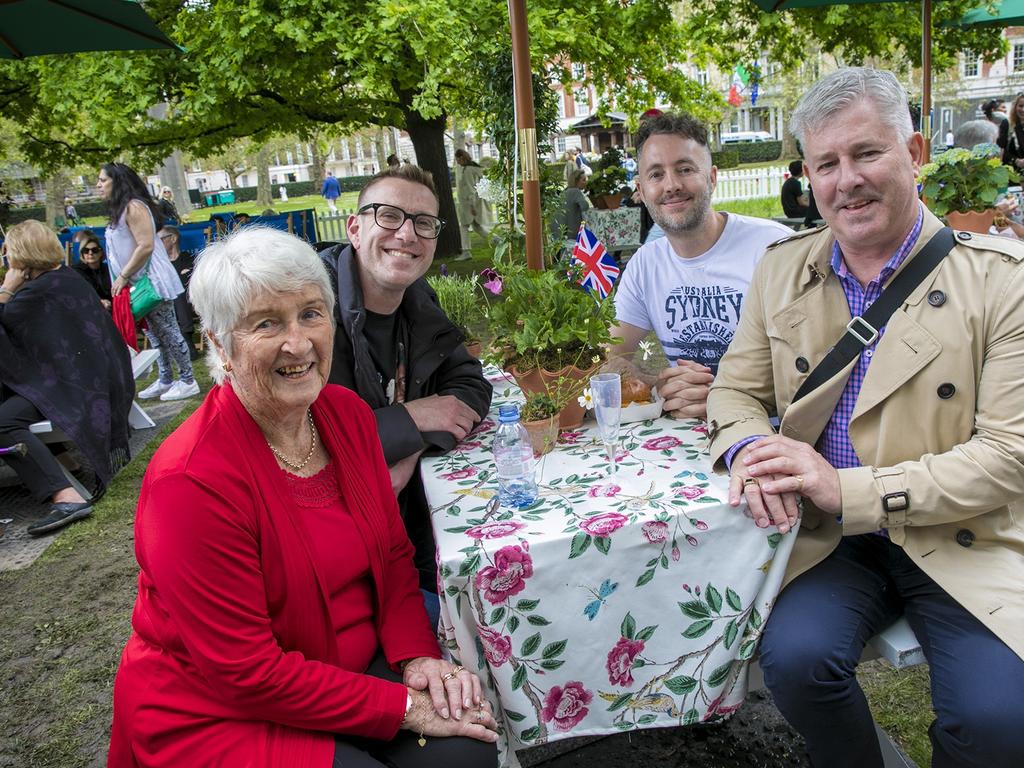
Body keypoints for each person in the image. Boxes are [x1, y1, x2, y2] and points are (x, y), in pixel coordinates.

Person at [707, 67, 1024, 768]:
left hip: (956, 532)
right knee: (793, 661)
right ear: (809, 175)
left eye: (866, 153)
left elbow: (1009, 456)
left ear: (914, 153)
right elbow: (733, 393)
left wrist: (844, 488)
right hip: (832, 541)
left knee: (1000, 721)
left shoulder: (1004, 280)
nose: (845, 179)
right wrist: (752, 451)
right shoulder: (780, 269)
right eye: (826, 163)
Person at [108, 227, 498, 768]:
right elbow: (246, 672)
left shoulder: (344, 414)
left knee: (464, 754)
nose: (298, 343)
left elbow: (390, 557)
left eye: (311, 314)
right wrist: (404, 706)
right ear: (219, 343)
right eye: (266, 323)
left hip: (348, 665)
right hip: (223, 709)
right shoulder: (190, 481)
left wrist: (415, 656)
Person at [319, 165, 492, 625]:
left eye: (423, 223)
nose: (407, 234)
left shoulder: (417, 298)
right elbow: (303, 442)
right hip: (331, 564)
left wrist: (411, 441)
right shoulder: (311, 309)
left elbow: (471, 384)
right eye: (389, 216)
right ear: (355, 228)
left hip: (407, 536)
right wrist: (409, 419)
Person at [608, 112, 791, 420]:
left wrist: (724, 396)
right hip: (685, 443)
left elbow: (814, 367)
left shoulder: (774, 248)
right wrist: (661, 385)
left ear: (712, 177)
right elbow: (608, 357)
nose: (671, 185)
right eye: (655, 174)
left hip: (770, 437)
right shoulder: (644, 265)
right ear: (640, 190)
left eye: (685, 169)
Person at [0, 221, 133, 536]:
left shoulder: (36, 291)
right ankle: (65, 462)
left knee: (3, 422)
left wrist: (6, 288)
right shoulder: (65, 278)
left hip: (76, 387)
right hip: (96, 380)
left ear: (20, 256)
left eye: (8, 252)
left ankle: (66, 495)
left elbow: (7, 331)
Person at [98, 162, 199, 402]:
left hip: (151, 280)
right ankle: (166, 378)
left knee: (167, 330)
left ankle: (187, 380)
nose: (98, 185)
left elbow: (146, 245)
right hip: (135, 283)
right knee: (153, 334)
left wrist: (123, 276)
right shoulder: (120, 210)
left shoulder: (134, 207)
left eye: (103, 180)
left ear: (118, 181)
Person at [157, 225, 199, 361]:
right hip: (166, 302)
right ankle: (186, 339)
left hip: (190, 302)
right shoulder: (160, 264)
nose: (157, 244)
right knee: (176, 293)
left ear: (173, 238)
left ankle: (186, 339)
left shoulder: (188, 258)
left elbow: (192, 280)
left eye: (160, 239)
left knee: (179, 293)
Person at [453, 149, 490, 261]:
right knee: (477, 227)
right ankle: (497, 240)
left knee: (464, 227)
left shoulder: (468, 170)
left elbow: (470, 189)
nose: (457, 162)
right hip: (469, 203)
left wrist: (472, 206)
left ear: (461, 158)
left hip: (468, 204)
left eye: (457, 159)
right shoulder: (471, 168)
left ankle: (466, 252)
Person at [71, 234, 113, 310]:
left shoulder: (108, 269)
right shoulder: (76, 271)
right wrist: (100, 302)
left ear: (100, 253)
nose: (90, 253)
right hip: (88, 308)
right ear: (82, 254)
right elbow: (80, 294)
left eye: (95, 250)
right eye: (86, 251)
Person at [562, 169, 592, 243]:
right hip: (573, 231)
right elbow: (585, 206)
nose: (586, 182)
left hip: (563, 230)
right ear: (576, 181)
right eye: (584, 180)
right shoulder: (576, 191)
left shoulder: (566, 191)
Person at [1000, 93, 1024, 170]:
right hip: (1013, 173)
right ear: (1015, 107)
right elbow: (1000, 149)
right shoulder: (1007, 124)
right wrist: (1016, 161)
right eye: (1020, 106)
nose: (1023, 110)